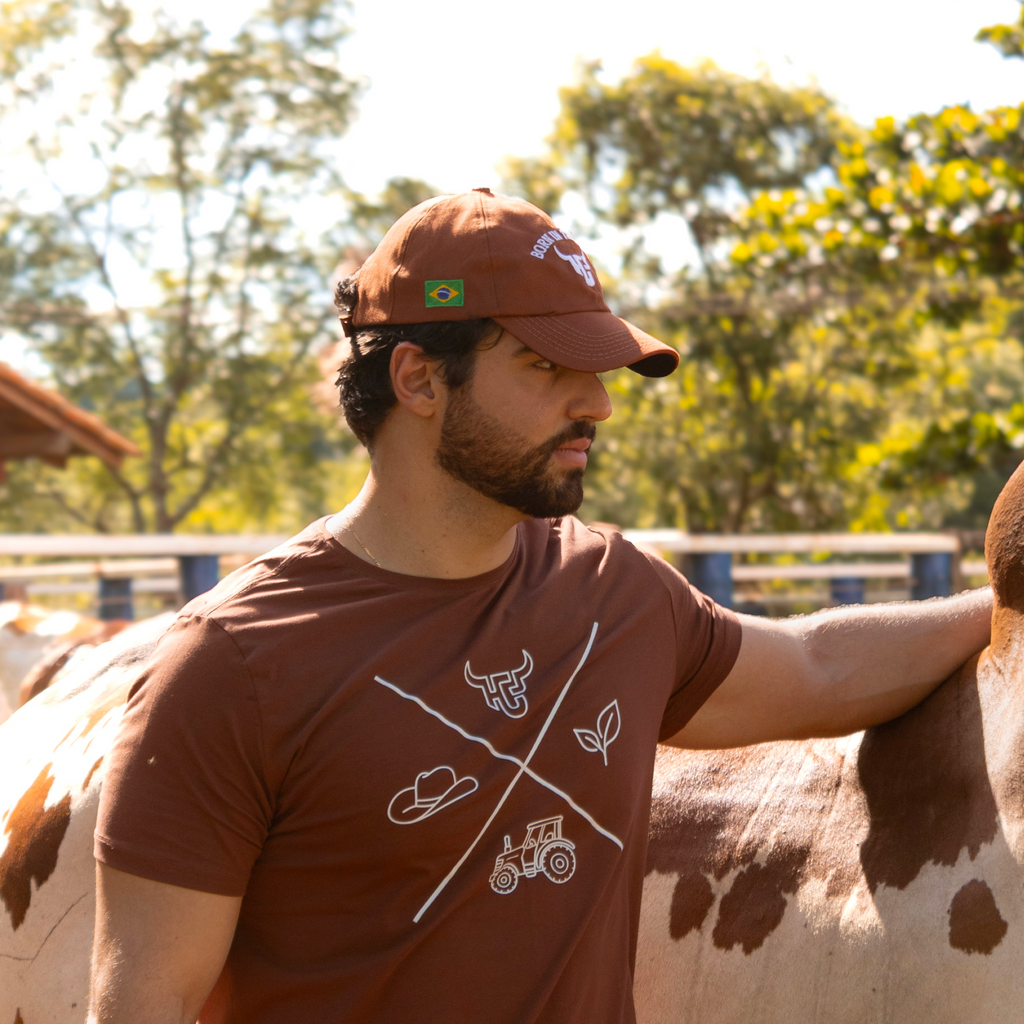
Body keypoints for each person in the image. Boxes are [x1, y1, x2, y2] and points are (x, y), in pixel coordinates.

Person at [89, 189, 992, 1024]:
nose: (596, 401)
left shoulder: (615, 592)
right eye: (546, 364)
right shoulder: (233, 664)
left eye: (596, 368)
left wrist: (1009, 599)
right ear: (418, 379)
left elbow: (817, 666)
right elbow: (141, 1007)